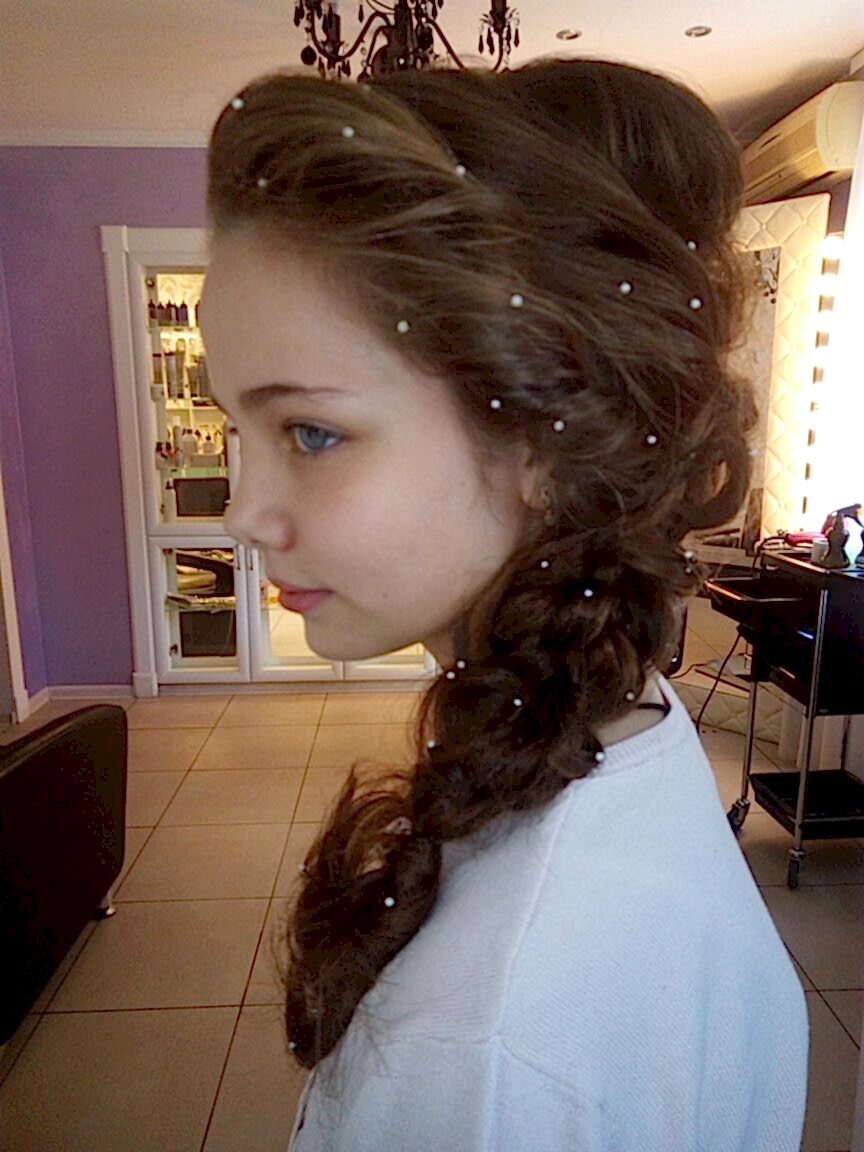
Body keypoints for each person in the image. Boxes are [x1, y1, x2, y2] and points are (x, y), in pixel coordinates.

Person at [200, 57, 809, 1152]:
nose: (246, 513)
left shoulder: (479, 1058)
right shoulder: (627, 725)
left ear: (542, 443)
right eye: (239, 428)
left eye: (311, 432)